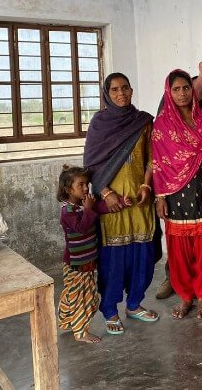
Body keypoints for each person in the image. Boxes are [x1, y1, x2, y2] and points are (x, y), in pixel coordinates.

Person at [83, 72, 158, 335]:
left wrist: (147, 185)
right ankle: (111, 309)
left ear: (132, 90)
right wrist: (105, 193)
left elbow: (152, 158)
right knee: (114, 259)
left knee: (142, 255)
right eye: (114, 89)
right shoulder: (99, 124)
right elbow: (91, 164)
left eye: (125, 88)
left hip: (140, 200)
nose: (121, 94)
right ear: (107, 94)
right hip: (112, 204)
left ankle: (135, 304)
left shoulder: (143, 122)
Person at [155, 49, 202, 300]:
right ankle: (180, 288)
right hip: (174, 191)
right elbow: (159, 157)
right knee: (178, 245)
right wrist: (160, 196)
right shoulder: (163, 121)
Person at [56, 165, 102, 344]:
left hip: (87, 261)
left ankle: (66, 319)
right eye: (80, 185)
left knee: (75, 294)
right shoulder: (67, 212)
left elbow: (98, 211)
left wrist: (118, 204)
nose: (85, 188)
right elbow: (82, 228)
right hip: (76, 264)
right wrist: (89, 209)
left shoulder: (83, 206)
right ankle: (81, 332)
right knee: (85, 298)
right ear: (68, 189)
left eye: (87, 184)